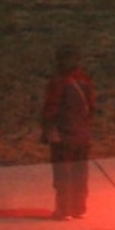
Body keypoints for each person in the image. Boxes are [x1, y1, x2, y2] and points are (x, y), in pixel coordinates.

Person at [41, 46, 97, 219]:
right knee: (80, 172)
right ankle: (79, 208)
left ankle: (63, 210)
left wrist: (48, 130)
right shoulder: (85, 80)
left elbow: (51, 109)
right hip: (82, 134)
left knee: (63, 172)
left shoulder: (58, 82)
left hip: (64, 135)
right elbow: (92, 108)